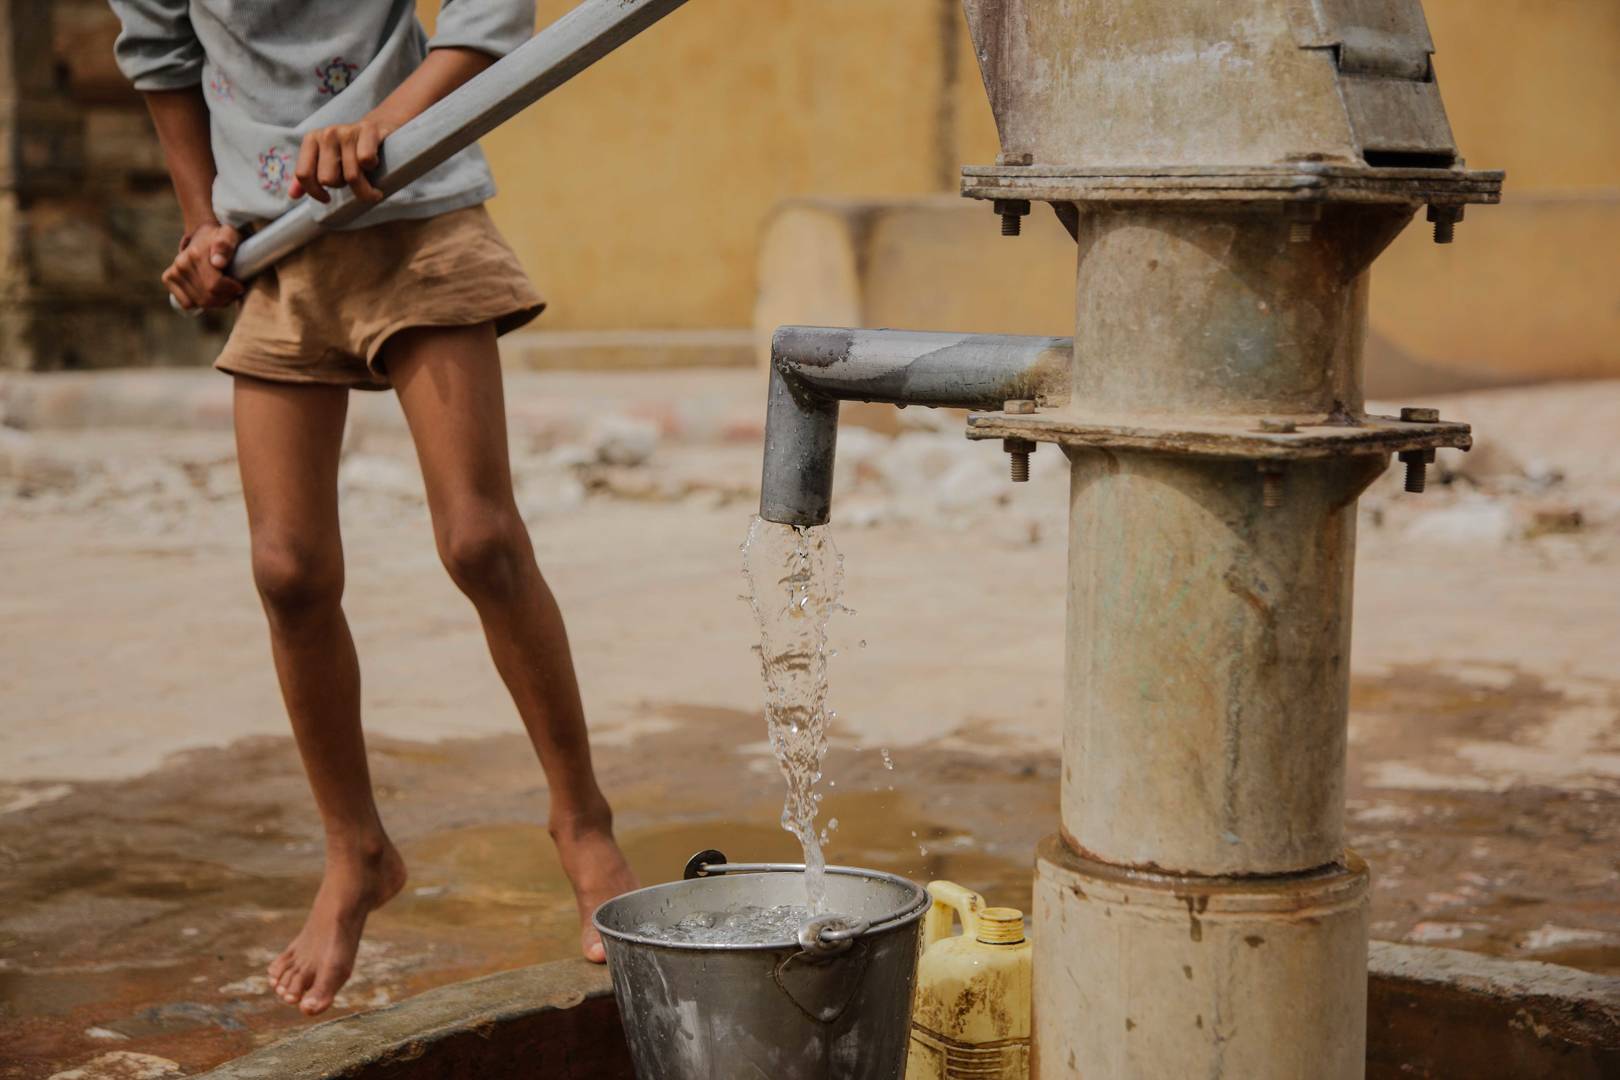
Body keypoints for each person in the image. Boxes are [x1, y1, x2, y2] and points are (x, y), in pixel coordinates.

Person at [106, 0, 638, 1017]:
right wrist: (201, 222)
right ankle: (357, 853)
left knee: (481, 539)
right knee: (288, 572)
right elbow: (160, 53)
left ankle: (583, 824)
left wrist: (386, 123)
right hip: (275, 247)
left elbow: (491, 12)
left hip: (417, 210)